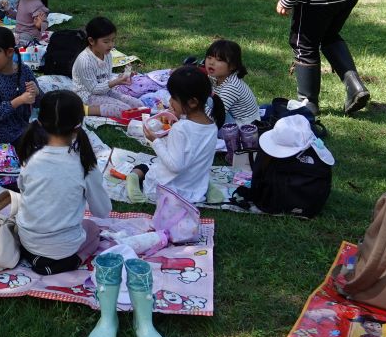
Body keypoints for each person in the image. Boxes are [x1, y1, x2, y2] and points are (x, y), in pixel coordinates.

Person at [14, 89, 113, 275]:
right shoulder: (85, 165)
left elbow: (23, 190)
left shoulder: (31, 158)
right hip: (64, 248)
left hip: (27, 239)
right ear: (78, 126)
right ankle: (71, 261)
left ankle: (37, 257)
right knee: (92, 229)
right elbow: (103, 211)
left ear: (40, 123)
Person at [125, 65, 223, 203]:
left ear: (192, 102)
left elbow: (175, 166)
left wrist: (154, 140)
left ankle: (133, 178)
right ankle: (206, 186)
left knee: (146, 166)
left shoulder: (181, 128)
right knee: (196, 166)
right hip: (193, 188)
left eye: (173, 98)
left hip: (166, 192)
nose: (170, 101)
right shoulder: (212, 126)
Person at [71, 16, 142, 117]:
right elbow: (94, 89)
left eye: (113, 40)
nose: (111, 45)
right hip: (88, 96)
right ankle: (84, 110)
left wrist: (121, 77)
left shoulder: (107, 54)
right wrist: (116, 82)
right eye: (106, 41)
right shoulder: (84, 61)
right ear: (91, 41)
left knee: (138, 104)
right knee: (125, 110)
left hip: (105, 91)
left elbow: (106, 78)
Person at [0, 26, 38, 144]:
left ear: (10, 52)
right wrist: (20, 100)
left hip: (22, 127)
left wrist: (36, 92)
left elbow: (39, 102)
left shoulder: (24, 71)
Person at [204, 39, 260, 125]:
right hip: (230, 115)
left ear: (232, 66)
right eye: (209, 57)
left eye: (219, 60)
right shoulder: (216, 77)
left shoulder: (232, 87)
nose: (211, 62)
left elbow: (213, 117)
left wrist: (195, 107)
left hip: (244, 126)